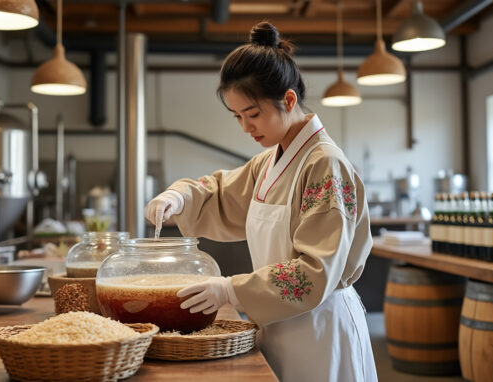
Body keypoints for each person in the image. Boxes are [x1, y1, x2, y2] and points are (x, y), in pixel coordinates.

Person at [145, 22, 377, 382]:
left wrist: (229, 289)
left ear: (288, 100)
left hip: (319, 327)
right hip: (276, 321)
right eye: (238, 117)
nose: (245, 128)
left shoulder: (324, 163)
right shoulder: (270, 162)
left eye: (252, 114)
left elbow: (316, 270)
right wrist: (178, 196)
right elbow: (221, 191)